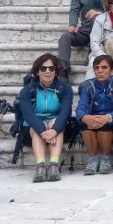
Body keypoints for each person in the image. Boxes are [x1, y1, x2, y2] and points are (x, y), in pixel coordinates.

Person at [17, 53, 73, 183]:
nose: (47, 71)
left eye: (51, 68)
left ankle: (53, 165)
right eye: (43, 68)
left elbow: (65, 112)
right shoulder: (27, 90)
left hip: (57, 126)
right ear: (37, 71)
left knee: (55, 122)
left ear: (56, 71)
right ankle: (40, 165)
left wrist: (53, 130)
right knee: (37, 126)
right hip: (33, 127)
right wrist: (43, 130)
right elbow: (28, 114)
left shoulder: (65, 89)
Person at [77, 54, 113, 175]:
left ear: (112, 70)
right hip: (93, 119)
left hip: (111, 121)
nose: (100, 71)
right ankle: (93, 159)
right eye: (97, 68)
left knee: (105, 126)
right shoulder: (87, 86)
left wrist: (108, 117)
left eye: (104, 67)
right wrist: (85, 117)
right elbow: (81, 107)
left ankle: (105, 158)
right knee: (84, 124)